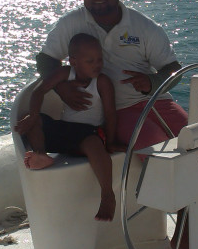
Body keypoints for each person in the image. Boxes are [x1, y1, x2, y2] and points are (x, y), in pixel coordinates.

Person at [35, 0, 189, 249]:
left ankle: (197, 211)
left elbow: (173, 69)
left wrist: (152, 81)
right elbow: (45, 60)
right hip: (117, 110)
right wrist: (61, 88)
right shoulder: (71, 23)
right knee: (161, 155)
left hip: (157, 101)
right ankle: (185, 223)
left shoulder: (143, 26)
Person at [15, 33, 124, 222]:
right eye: (90, 61)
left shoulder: (102, 82)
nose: (97, 64)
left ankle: (107, 194)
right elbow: (39, 91)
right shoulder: (64, 73)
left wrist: (111, 141)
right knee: (33, 120)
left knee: (94, 144)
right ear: (74, 62)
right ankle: (41, 154)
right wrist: (32, 115)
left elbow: (110, 114)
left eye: (99, 59)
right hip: (65, 129)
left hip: (88, 133)